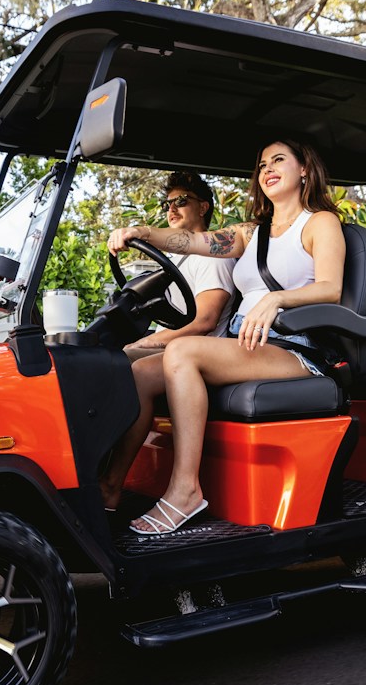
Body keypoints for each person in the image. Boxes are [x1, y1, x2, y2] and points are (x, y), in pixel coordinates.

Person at [104, 139, 346, 535]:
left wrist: (277, 299)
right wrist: (141, 232)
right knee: (141, 373)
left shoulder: (320, 222)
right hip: (247, 345)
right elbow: (193, 241)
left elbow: (330, 288)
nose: (268, 167)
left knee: (181, 351)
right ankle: (110, 487)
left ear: (304, 169)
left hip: (295, 349)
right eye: (263, 162)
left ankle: (185, 491)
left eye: (279, 160)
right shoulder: (251, 233)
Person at [123, 171, 236, 360]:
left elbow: (205, 321)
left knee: (116, 364)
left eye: (182, 201)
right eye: (167, 205)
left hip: (198, 354)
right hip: (170, 348)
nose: (172, 209)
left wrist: (146, 342)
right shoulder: (172, 261)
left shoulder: (213, 256)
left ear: (203, 208)